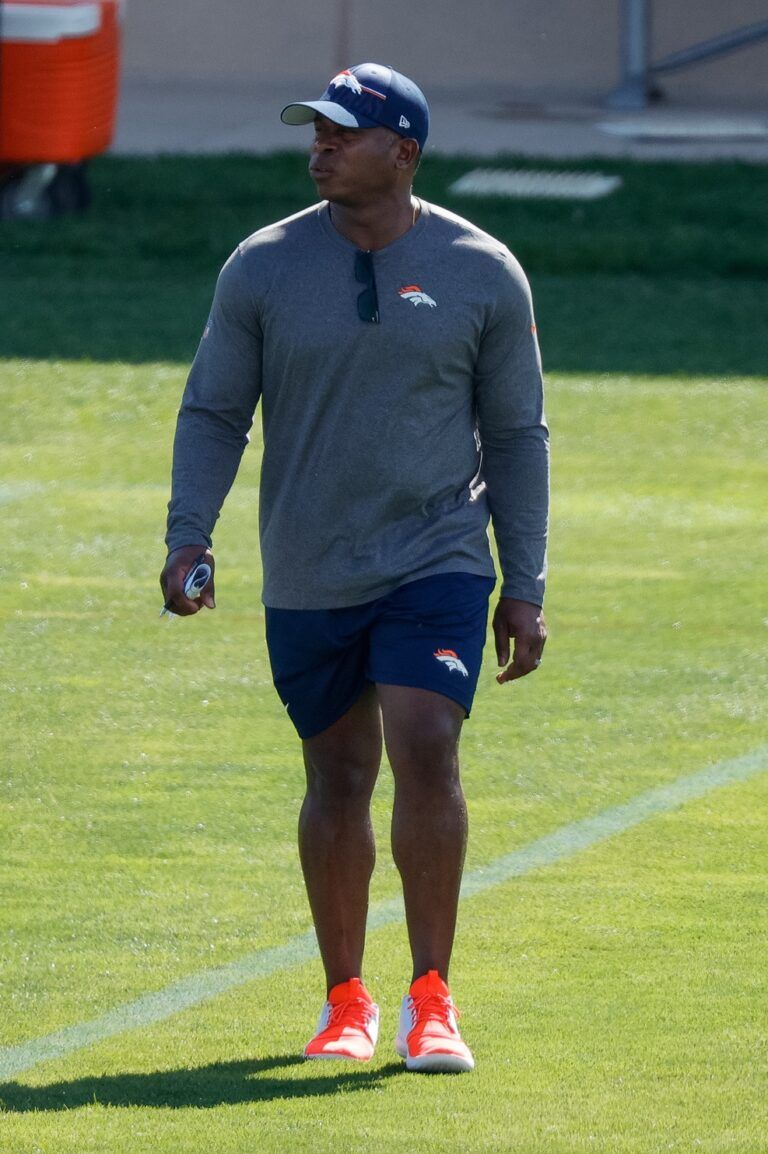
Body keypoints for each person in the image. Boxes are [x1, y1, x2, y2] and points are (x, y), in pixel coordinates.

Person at [160, 62, 548, 1074]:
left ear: (403, 152)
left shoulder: (482, 270)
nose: (320, 146)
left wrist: (527, 582)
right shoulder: (262, 266)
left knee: (426, 739)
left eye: (343, 132)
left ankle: (432, 996)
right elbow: (214, 410)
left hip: (438, 553)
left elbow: (515, 433)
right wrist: (187, 536)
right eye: (316, 132)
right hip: (309, 564)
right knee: (337, 769)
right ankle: (344, 997)